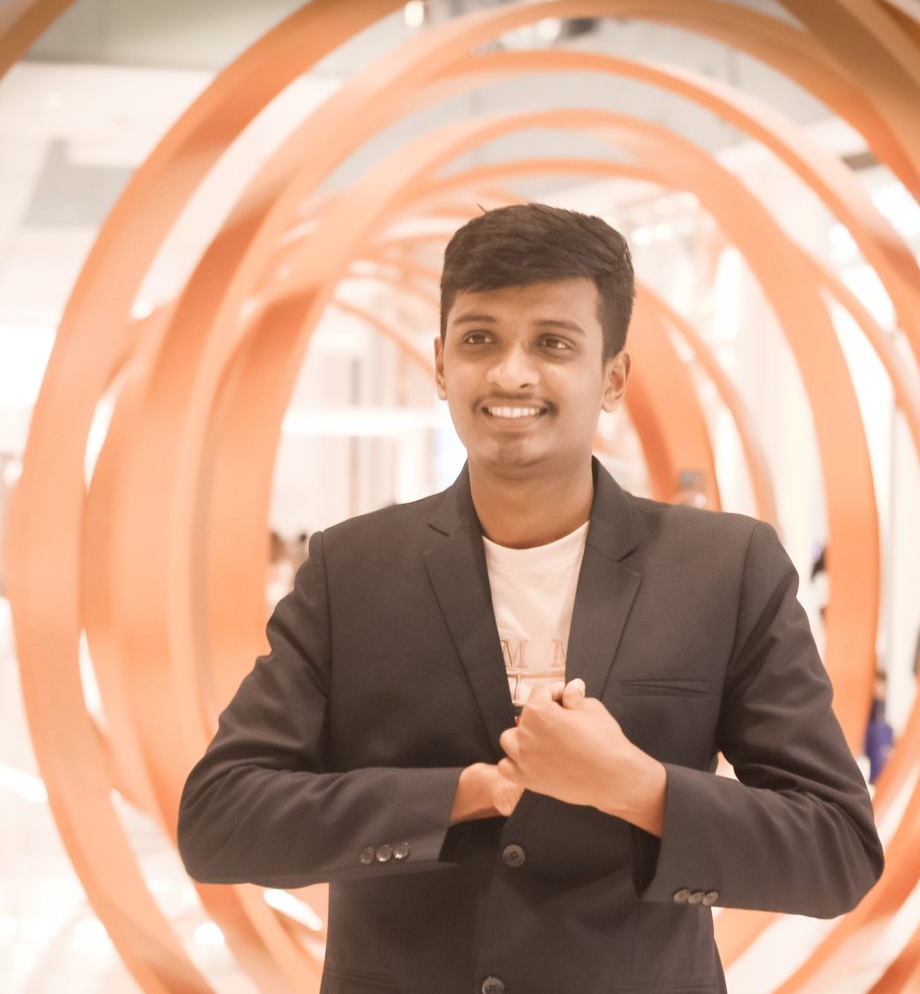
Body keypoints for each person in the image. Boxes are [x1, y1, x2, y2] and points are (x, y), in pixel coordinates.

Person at [178, 203, 883, 994]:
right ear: (441, 363)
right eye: (480, 338)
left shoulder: (724, 568)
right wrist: (465, 794)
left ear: (611, 377)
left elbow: (837, 850)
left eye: (553, 343)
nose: (512, 372)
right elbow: (222, 820)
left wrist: (637, 788)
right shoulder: (352, 570)